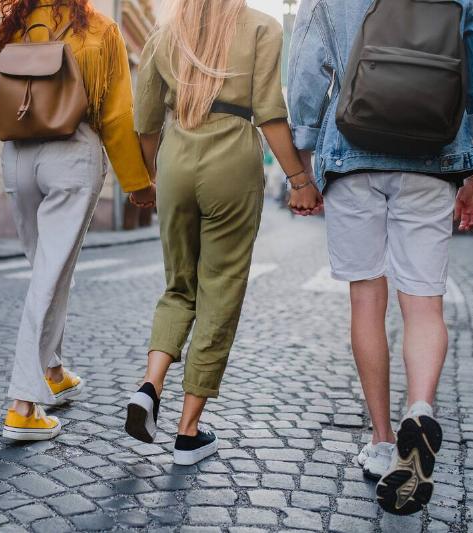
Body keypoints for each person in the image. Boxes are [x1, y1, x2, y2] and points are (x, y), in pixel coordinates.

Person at [288, 0, 473, 515]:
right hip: (433, 155)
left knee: (366, 300)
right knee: (424, 303)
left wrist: (304, 163)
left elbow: (307, 76)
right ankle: (419, 409)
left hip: (352, 153)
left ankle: (383, 440)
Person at [125, 0, 320, 466]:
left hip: (177, 155)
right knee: (220, 290)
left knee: (178, 286)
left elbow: (146, 119)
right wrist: (300, 180)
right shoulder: (262, 27)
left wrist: (148, 178)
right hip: (232, 157)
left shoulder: (165, 31)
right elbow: (269, 112)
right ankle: (187, 432)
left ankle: (150, 385)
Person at [0, 0, 156, 441]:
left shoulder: (12, 27)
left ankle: (53, 370)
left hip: (17, 160)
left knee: (46, 270)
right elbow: (117, 114)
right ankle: (23, 404)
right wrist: (138, 181)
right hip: (71, 155)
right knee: (50, 273)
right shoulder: (100, 29)